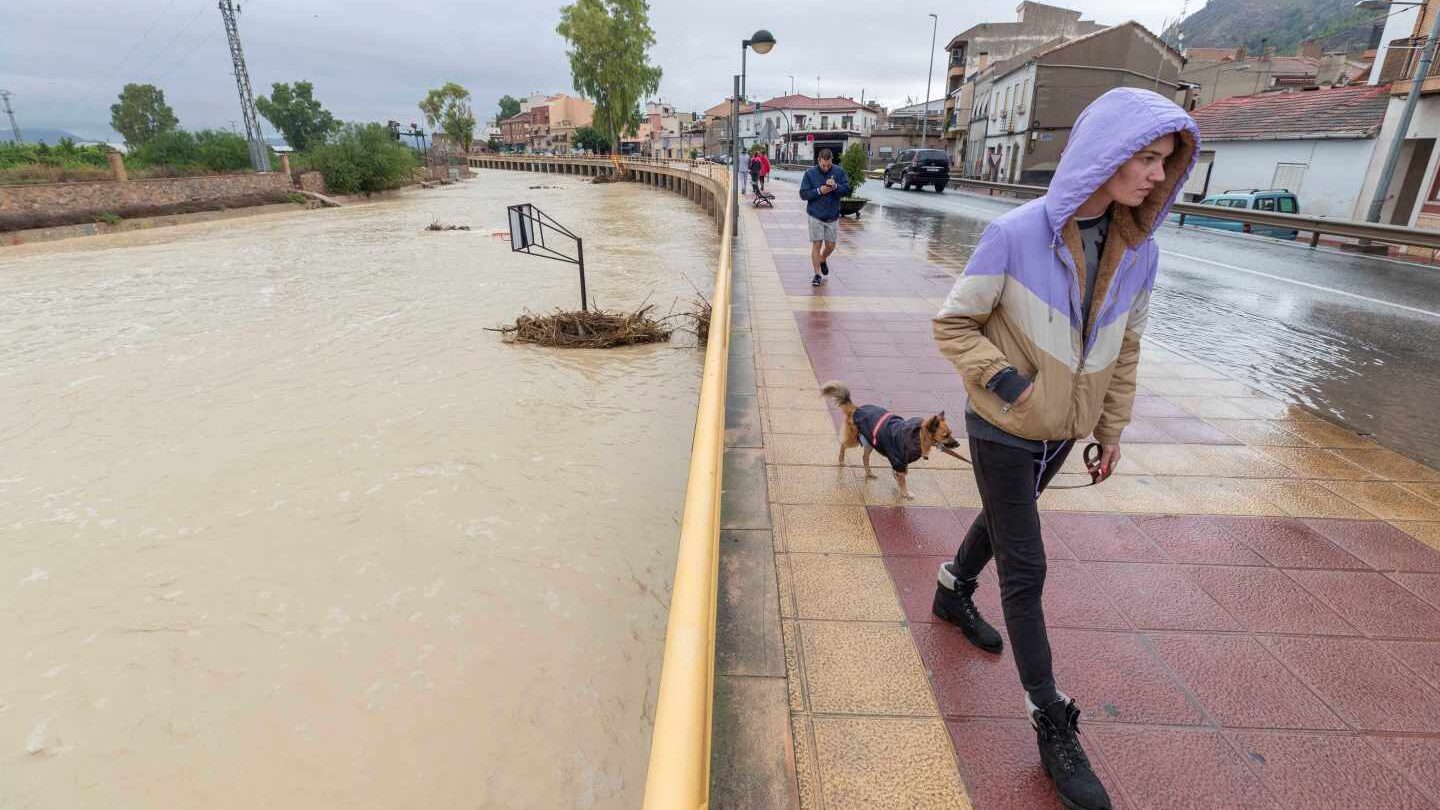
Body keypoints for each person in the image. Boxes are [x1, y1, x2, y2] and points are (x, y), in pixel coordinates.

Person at [931, 87, 1198, 810]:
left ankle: (951, 589)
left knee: (1002, 519)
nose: (1156, 175)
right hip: (1002, 424)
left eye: (1165, 162)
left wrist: (1110, 429)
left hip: (1063, 431)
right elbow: (955, 325)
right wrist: (1010, 383)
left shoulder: (1140, 253)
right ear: (1104, 155)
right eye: (1145, 158)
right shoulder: (1015, 235)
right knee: (1027, 564)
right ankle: (1051, 718)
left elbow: (1126, 347)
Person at [798, 148, 850, 287]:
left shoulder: (838, 172)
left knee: (831, 246)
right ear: (819, 161)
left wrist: (836, 187)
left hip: (832, 215)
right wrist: (819, 191)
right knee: (817, 244)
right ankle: (817, 274)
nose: (826, 167)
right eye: (823, 165)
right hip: (815, 215)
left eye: (828, 165)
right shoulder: (810, 174)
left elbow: (846, 190)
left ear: (831, 160)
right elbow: (803, 194)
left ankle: (823, 258)